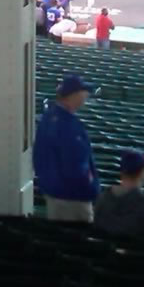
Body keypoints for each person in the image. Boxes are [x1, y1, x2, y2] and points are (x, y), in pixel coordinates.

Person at [34, 74, 100, 223]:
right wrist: (89, 188)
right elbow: (76, 164)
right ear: (74, 94)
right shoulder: (68, 125)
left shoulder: (48, 117)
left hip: (54, 193)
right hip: (72, 197)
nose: (86, 96)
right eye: (83, 92)